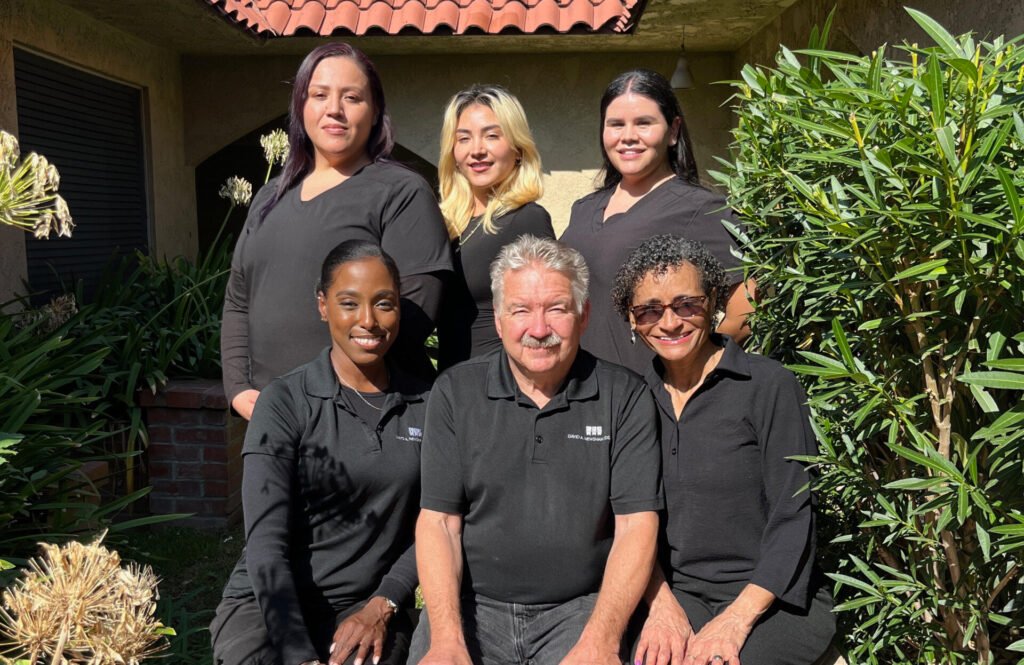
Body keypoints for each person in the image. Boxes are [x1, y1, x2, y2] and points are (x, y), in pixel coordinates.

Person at [411, 235, 662, 665]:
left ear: (583, 316)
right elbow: (439, 523)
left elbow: (636, 527)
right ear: (499, 320)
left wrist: (600, 641)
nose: (539, 329)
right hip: (474, 607)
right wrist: (448, 639)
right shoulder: (455, 392)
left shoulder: (625, 397)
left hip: (580, 609)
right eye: (521, 310)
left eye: (557, 309)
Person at [611, 235, 835, 665]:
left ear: (713, 300)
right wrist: (661, 608)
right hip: (678, 594)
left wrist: (736, 621)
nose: (670, 323)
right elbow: (630, 521)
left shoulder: (767, 385)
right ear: (632, 319)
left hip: (773, 597)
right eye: (650, 310)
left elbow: (794, 515)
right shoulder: (632, 399)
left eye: (686, 304)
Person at [211, 240, 429, 665]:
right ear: (323, 306)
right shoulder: (286, 402)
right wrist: (298, 654)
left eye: (384, 304)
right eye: (349, 303)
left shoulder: (428, 403)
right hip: (269, 606)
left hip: (364, 608)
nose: (368, 320)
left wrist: (383, 603)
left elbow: (436, 523)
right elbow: (265, 546)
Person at [221, 42, 452, 420]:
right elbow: (238, 301)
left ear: (375, 110)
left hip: (364, 417)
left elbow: (416, 306)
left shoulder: (400, 192)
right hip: (273, 418)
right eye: (319, 95)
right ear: (301, 107)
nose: (334, 110)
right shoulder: (268, 199)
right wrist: (239, 389)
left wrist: (335, 394)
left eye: (352, 97)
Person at [560, 68, 754, 375]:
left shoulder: (700, 208)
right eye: (616, 125)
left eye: (643, 123)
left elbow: (747, 310)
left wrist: (691, 373)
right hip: (578, 392)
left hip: (647, 402)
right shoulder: (583, 209)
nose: (628, 137)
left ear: (673, 130)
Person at [435, 84, 555, 370]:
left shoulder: (527, 220)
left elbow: (547, 317)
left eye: (492, 136)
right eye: (463, 138)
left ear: (517, 148)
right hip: (450, 384)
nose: (477, 150)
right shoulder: (449, 225)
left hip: (500, 385)